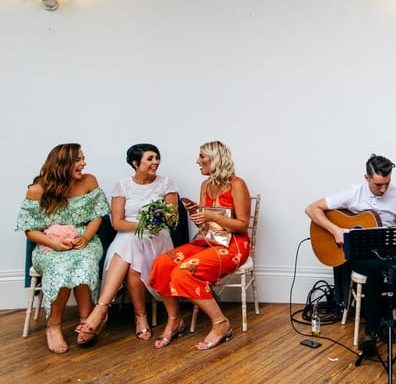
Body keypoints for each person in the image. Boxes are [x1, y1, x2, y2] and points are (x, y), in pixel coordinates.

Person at [305, 154, 396, 351]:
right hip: (360, 253)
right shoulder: (353, 193)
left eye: (387, 184)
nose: (383, 189)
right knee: (374, 270)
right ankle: (370, 333)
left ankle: (381, 318)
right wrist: (336, 230)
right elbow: (312, 209)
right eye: (377, 185)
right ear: (367, 178)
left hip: (389, 251)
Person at [148, 141, 251, 350]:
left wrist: (211, 214)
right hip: (207, 240)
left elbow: (241, 225)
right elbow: (208, 223)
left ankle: (221, 324)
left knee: (184, 272)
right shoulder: (205, 185)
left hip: (233, 245)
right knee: (162, 263)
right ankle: (174, 320)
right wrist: (200, 216)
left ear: (215, 158)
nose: (198, 160)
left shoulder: (237, 184)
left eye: (202, 156)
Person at [75, 143, 179, 342]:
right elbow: (118, 223)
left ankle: (102, 310)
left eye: (157, 158)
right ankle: (136, 317)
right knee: (130, 251)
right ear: (135, 162)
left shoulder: (167, 183)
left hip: (157, 238)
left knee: (130, 256)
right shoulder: (122, 185)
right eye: (150, 159)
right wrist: (143, 224)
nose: (155, 162)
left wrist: (153, 223)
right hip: (128, 236)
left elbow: (172, 219)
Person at [15, 143, 111, 353]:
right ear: (62, 163)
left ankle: (87, 321)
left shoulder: (89, 181)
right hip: (49, 245)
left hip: (84, 241)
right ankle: (54, 326)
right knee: (60, 268)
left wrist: (86, 237)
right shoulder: (37, 190)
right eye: (78, 159)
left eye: (83, 159)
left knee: (84, 262)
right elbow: (29, 229)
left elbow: (98, 215)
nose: (83, 163)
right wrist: (54, 243)